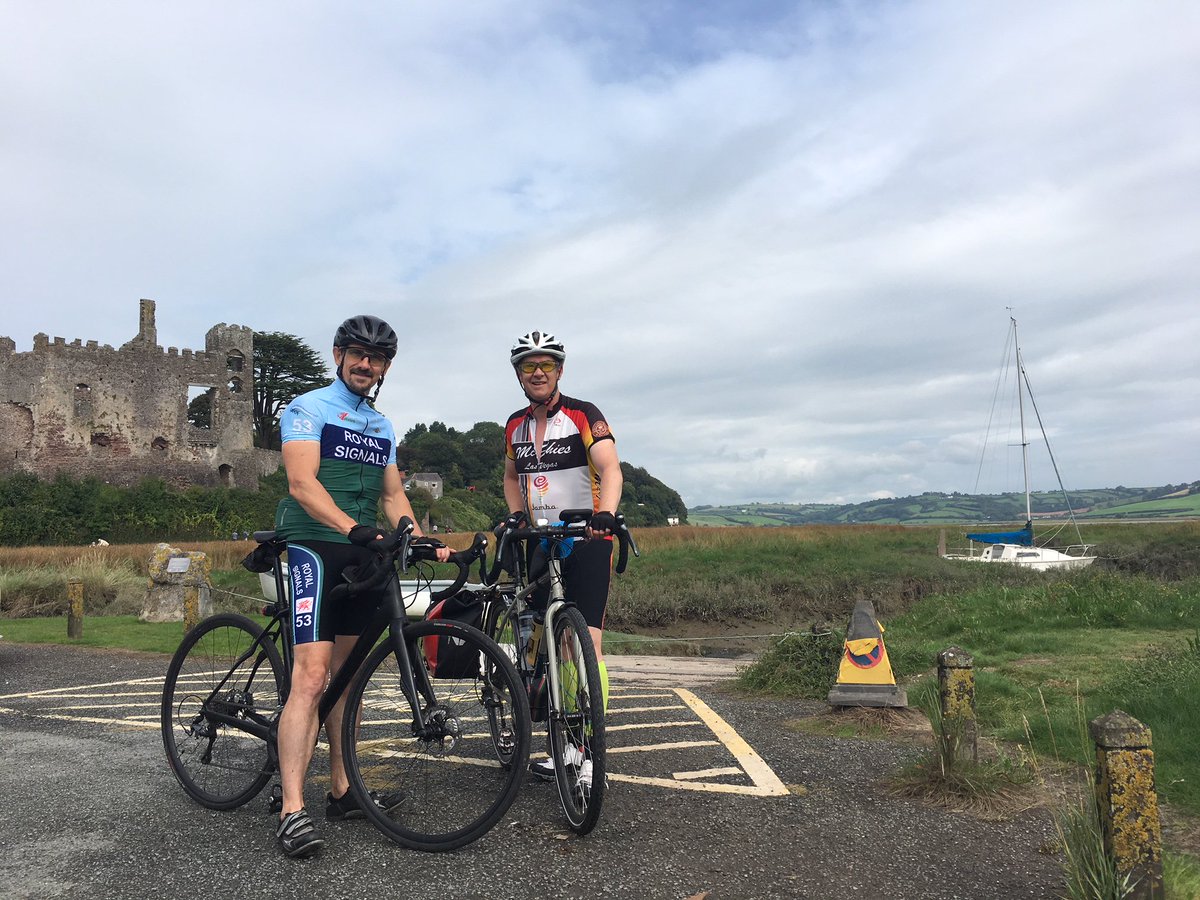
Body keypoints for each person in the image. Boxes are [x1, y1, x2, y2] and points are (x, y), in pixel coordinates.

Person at [272, 314, 449, 859]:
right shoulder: (308, 408)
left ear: (385, 368)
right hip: (314, 545)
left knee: (346, 682)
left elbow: (393, 496)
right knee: (311, 677)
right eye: (357, 354)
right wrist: (352, 528)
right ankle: (292, 810)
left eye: (377, 359)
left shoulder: (381, 425)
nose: (366, 364)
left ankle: (343, 791)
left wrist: (418, 538)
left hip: (362, 550)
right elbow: (301, 483)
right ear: (338, 355)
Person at [501, 330, 623, 785]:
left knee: (587, 643)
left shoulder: (582, 414)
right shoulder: (514, 425)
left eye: (546, 364)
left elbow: (610, 468)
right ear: (518, 373)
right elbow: (511, 476)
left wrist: (606, 513)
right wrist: (516, 514)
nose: (538, 372)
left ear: (560, 370)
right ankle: (569, 747)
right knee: (559, 647)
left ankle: (592, 755)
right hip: (541, 541)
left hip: (587, 537)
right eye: (529, 365)